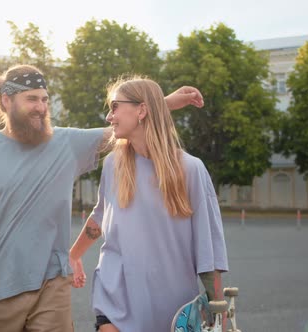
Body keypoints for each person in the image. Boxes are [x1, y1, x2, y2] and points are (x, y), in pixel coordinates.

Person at [0, 64, 205, 331]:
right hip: (0, 289)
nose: (41, 106)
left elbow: (126, 125)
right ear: (6, 101)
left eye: (44, 99)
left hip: (53, 287)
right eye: (31, 99)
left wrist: (163, 103)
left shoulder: (66, 143)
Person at [69, 76, 229, 332]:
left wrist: (219, 313)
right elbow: (101, 216)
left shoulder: (191, 169)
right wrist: (74, 254)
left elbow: (208, 249)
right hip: (114, 298)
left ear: (141, 110)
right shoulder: (112, 164)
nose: (109, 117)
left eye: (114, 107)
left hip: (172, 308)